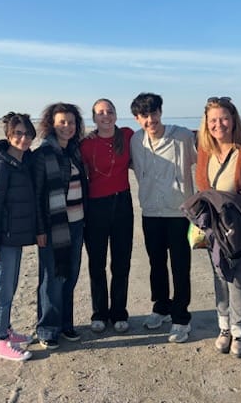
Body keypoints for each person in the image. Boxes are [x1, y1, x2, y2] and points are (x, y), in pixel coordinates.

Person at [195, 97, 241, 357]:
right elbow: (202, 187)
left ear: (233, 120)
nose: (218, 124)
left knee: (236, 278)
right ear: (206, 123)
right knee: (219, 275)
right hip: (213, 226)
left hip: (238, 227)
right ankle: (223, 327)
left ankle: (239, 331)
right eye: (213, 120)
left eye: (224, 118)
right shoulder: (205, 151)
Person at [129, 92, 197, 343]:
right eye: (144, 115)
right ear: (137, 118)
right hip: (150, 212)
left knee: (180, 266)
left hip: (179, 212)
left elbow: (204, 156)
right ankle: (161, 307)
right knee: (156, 263)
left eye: (154, 113)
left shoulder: (182, 136)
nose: (150, 120)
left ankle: (181, 317)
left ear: (161, 112)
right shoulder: (136, 140)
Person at [0, 112, 38, 362]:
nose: (23, 138)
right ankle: (0, 341)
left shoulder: (22, 163)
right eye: (18, 133)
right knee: (1, 291)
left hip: (13, 238)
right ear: (8, 135)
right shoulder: (0, 167)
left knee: (10, 287)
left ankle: (6, 330)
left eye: (27, 134)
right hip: (1, 240)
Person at [33, 102, 88, 350]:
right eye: (62, 122)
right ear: (52, 125)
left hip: (77, 224)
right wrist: (40, 229)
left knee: (70, 276)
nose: (68, 126)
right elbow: (37, 196)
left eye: (72, 122)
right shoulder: (43, 154)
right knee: (51, 279)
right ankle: (48, 328)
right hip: (53, 227)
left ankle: (66, 324)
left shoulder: (74, 151)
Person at [80, 99, 135, 334]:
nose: (106, 116)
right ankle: (99, 313)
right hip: (95, 207)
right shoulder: (85, 144)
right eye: (100, 112)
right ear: (94, 118)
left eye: (110, 111)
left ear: (116, 114)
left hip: (122, 203)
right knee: (97, 263)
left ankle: (119, 312)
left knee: (121, 262)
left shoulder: (128, 135)